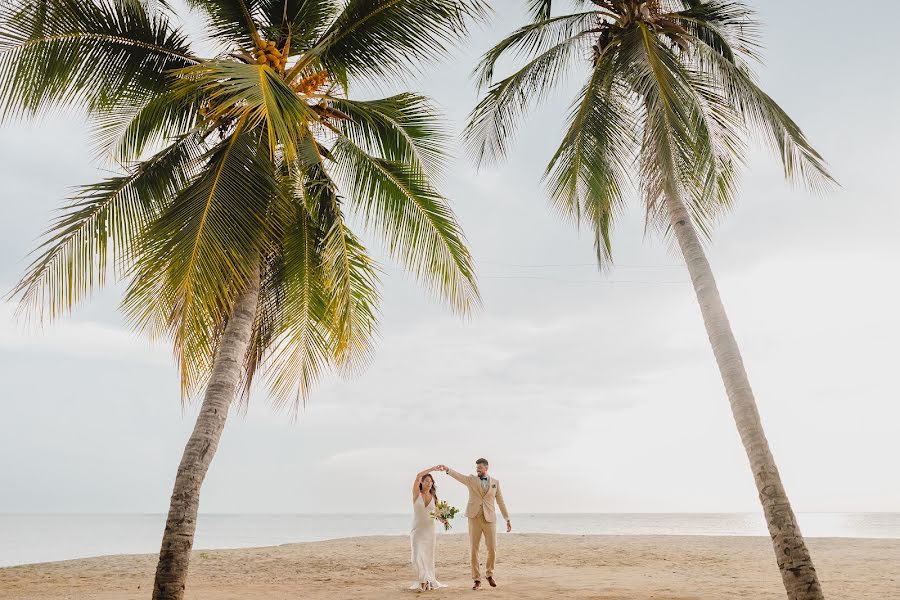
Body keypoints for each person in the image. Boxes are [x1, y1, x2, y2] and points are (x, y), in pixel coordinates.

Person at [439, 459, 511, 590]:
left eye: (480, 467)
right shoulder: (471, 479)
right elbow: (459, 477)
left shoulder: (495, 483)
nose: (477, 469)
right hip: (474, 518)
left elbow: (501, 501)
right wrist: (447, 469)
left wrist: (507, 519)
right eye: (476, 467)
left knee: (492, 548)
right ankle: (477, 579)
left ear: (486, 468)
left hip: (490, 519)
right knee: (474, 549)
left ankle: (489, 574)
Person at [410, 466, 447, 591]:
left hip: (430, 532)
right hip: (417, 530)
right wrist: (434, 469)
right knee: (416, 557)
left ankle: (425, 581)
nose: (429, 483)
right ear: (422, 482)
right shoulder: (416, 494)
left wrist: (444, 520)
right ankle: (423, 579)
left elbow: (437, 515)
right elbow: (418, 475)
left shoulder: (434, 497)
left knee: (428, 557)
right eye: (427, 481)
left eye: (431, 482)